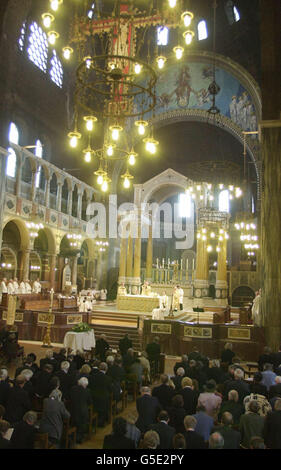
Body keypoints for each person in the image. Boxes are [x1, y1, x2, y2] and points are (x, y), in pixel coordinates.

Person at [69, 377, 92, 443]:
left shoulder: (72, 389)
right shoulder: (87, 391)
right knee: (82, 424)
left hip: (73, 411)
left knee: (75, 423)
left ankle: (73, 437)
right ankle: (79, 438)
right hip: (82, 413)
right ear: (85, 384)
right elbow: (90, 402)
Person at [89, 362, 112, 427]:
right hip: (103, 400)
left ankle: (94, 421)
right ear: (106, 369)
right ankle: (101, 422)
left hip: (93, 398)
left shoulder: (92, 376)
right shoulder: (108, 378)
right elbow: (110, 390)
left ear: (99, 368)